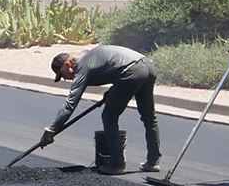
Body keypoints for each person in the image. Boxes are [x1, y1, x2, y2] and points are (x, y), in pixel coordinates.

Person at [43, 45, 161, 175]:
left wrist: (52, 129)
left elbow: (70, 104)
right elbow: (115, 67)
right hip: (147, 66)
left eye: (62, 74)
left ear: (67, 65)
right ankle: (153, 162)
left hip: (132, 71)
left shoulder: (82, 67)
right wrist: (112, 92)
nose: (65, 78)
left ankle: (117, 164)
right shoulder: (89, 59)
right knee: (149, 117)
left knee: (109, 117)